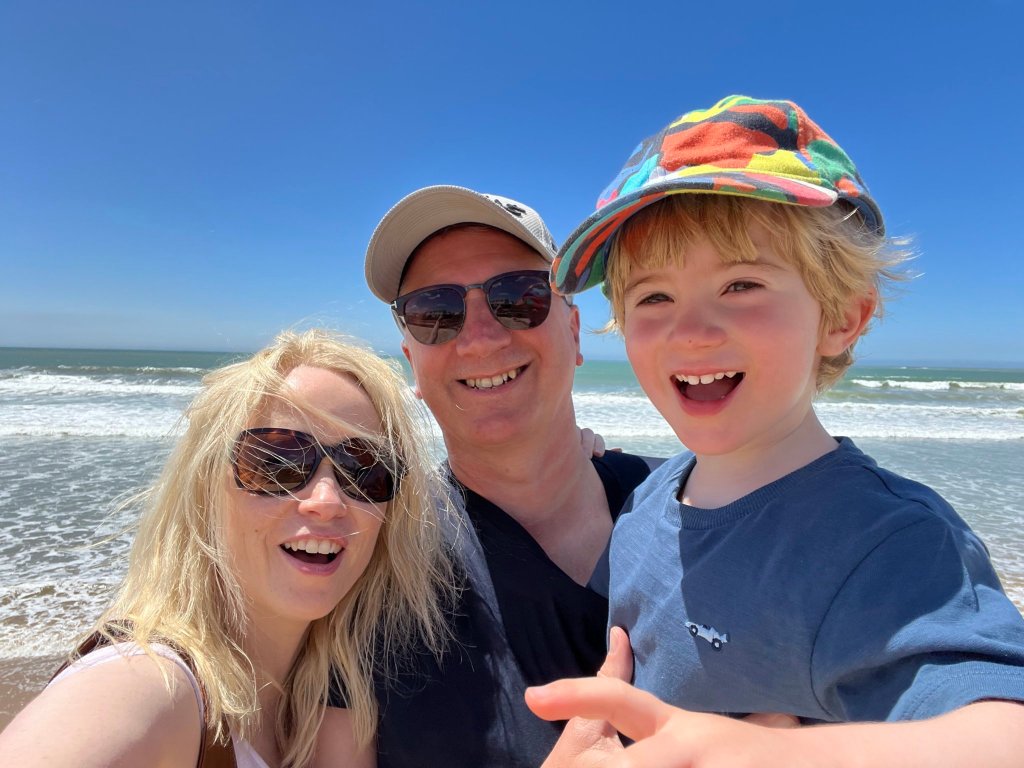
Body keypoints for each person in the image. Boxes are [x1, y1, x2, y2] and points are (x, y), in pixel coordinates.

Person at [529, 95, 1024, 765]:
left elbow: (1002, 730)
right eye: (653, 296)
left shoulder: (887, 542)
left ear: (842, 317)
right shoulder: (649, 499)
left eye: (741, 285)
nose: (690, 330)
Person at [0, 329, 455, 768]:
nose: (327, 500)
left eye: (365, 469)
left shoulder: (333, 700)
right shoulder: (147, 684)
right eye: (276, 463)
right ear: (204, 489)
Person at [354, 185, 657, 767]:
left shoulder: (704, 507)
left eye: (517, 297)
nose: (480, 338)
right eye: (435, 312)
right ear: (412, 361)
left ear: (573, 332)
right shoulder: (374, 560)